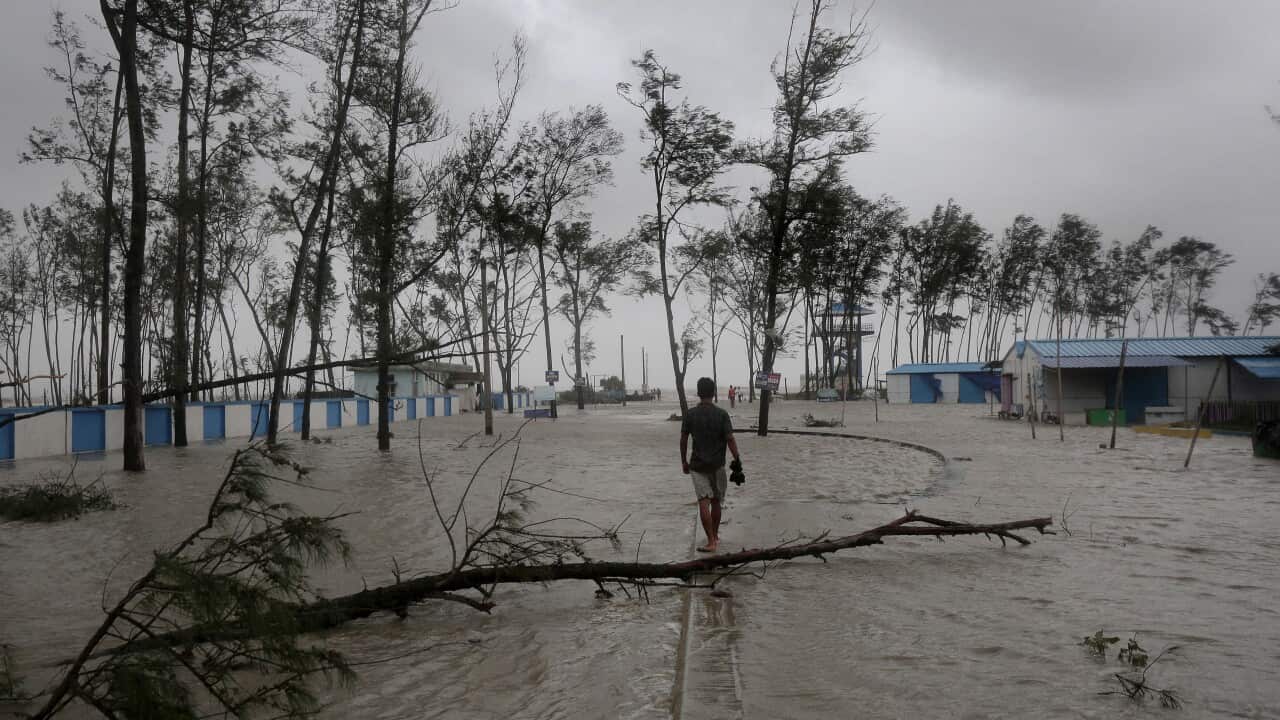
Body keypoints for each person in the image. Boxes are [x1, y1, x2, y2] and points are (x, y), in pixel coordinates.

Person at [680, 377, 742, 553]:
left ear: (699, 393)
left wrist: (683, 461)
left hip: (697, 465)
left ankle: (711, 541)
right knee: (716, 502)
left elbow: (683, 440)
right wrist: (737, 459)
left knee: (703, 502)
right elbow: (730, 439)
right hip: (717, 465)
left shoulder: (690, 415)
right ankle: (715, 537)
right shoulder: (722, 414)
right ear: (713, 393)